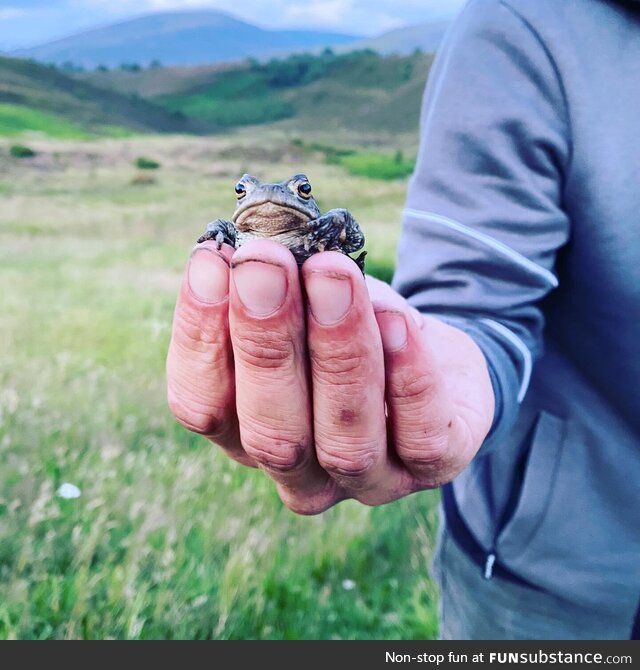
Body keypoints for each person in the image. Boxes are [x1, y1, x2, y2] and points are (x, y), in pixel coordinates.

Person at [166, 0, 640, 640]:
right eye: (249, 191)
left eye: (299, 190)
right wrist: (455, 361)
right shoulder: (528, 23)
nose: (272, 199)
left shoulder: (323, 228)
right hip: (550, 581)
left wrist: (346, 258)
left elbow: (343, 232)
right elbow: (481, 291)